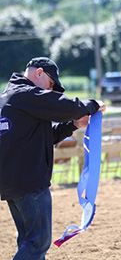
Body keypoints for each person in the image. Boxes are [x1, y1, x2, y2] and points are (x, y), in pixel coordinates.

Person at [0, 57, 106, 260]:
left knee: (29, 241)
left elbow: (43, 137)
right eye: (50, 85)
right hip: (29, 181)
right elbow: (60, 106)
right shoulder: (26, 94)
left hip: (12, 183)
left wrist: (73, 125)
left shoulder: (10, 97)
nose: (49, 91)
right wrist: (91, 105)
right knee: (38, 242)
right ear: (39, 73)